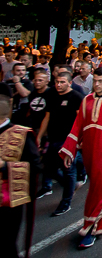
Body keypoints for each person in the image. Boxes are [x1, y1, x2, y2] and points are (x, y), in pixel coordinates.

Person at [59, 67, 102, 247]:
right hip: (89, 152)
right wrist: (69, 149)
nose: (96, 84)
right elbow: (77, 126)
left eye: (101, 81)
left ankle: (90, 227)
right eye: (95, 81)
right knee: (101, 187)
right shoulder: (86, 100)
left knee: (99, 188)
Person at [37, 71, 84, 216]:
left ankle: (66, 202)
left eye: (62, 82)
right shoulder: (52, 95)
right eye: (57, 82)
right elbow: (47, 116)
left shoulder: (76, 97)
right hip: (53, 139)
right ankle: (73, 183)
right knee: (48, 169)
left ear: (70, 83)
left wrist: (79, 139)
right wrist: (39, 136)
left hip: (68, 140)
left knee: (69, 170)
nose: (59, 85)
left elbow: (81, 119)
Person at [0, 94, 40, 258]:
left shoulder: (22, 134)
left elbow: (35, 167)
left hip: (9, 202)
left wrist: (5, 166)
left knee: (6, 245)